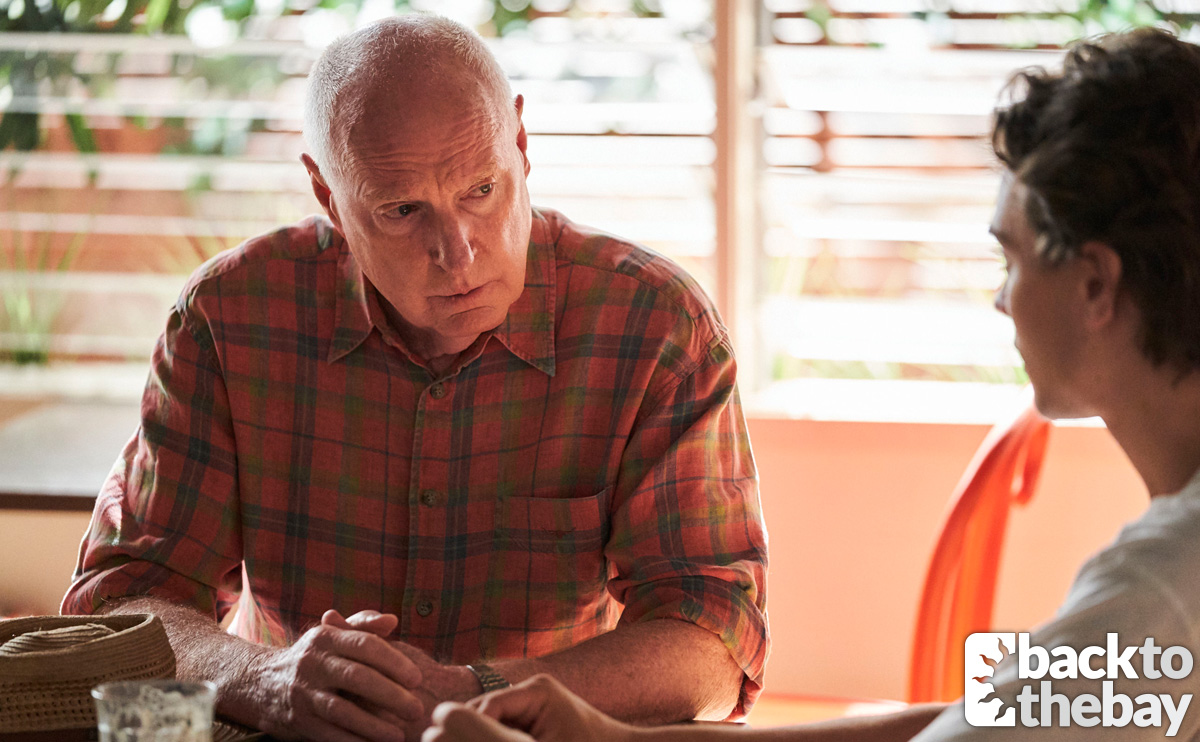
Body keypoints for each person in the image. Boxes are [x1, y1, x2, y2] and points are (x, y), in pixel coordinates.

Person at [423, 26, 1200, 742]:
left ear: (1095, 285)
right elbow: (997, 713)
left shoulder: (1161, 595)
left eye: (1012, 258)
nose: (1001, 299)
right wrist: (618, 739)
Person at [61, 14, 768, 742]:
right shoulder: (229, 316)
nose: (457, 252)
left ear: (521, 145)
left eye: (482, 190)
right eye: (402, 210)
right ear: (328, 196)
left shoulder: (656, 327)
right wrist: (259, 678)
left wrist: (477, 692)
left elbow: (715, 642)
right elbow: (121, 600)